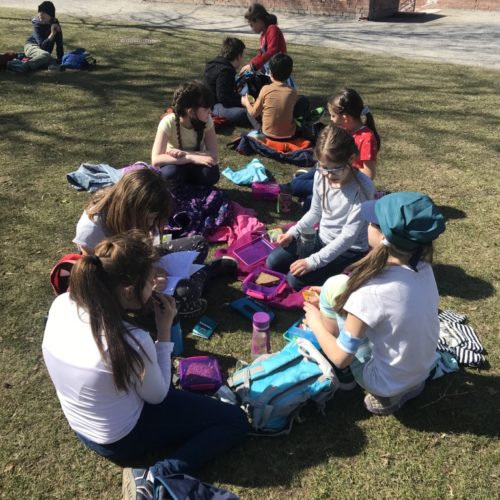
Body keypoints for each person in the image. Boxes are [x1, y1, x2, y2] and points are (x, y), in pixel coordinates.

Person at [42, 231, 249, 471]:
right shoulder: (131, 340)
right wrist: (164, 330)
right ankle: (162, 473)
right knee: (234, 420)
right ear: (128, 291)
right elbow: (159, 395)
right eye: (150, 281)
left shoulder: (61, 304)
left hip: (82, 427)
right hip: (121, 439)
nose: (154, 286)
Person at [304, 192, 446, 416]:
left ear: (382, 237)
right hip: (423, 368)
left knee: (333, 286)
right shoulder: (424, 267)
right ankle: (410, 385)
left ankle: (373, 389)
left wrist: (314, 322)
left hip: (383, 381)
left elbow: (341, 358)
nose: (367, 226)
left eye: (371, 223)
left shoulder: (369, 293)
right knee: (338, 286)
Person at [73, 168, 211, 317]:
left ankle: (200, 277)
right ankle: (202, 278)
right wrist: (146, 281)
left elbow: (148, 246)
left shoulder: (132, 215)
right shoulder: (92, 230)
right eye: (149, 219)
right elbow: (101, 280)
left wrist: (152, 268)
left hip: (139, 262)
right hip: (127, 286)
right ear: (133, 209)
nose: (151, 224)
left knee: (199, 244)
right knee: (187, 291)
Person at [266, 124, 375, 290]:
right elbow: (315, 212)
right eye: (323, 167)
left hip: (349, 250)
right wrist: (293, 233)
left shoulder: (363, 187)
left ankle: (345, 272)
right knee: (274, 261)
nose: (328, 175)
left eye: (335, 169)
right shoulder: (320, 174)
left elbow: (348, 236)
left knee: (294, 280)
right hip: (321, 238)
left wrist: (313, 262)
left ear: (351, 158)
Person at [290, 88, 380, 211]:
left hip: (340, 180)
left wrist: (345, 174)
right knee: (297, 185)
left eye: (333, 116)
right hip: (327, 170)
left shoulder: (366, 138)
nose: (331, 119)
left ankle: (303, 192)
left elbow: (369, 174)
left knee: (306, 199)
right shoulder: (343, 129)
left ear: (345, 118)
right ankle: (299, 185)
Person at [151, 81, 220, 187]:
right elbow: (156, 160)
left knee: (211, 174)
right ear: (191, 112)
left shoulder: (207, 120)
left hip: (197, 162)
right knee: (169, 174)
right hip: (175, 163)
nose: (210, 111)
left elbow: (213, 154)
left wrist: (186, 154)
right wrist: (189, 158)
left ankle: (187, 183)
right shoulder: (168, 122)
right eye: (206, 109)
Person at [241, 53, 298, 139]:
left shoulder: (266, 89)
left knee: (249, 112)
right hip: (289, 135)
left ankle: (259, 130)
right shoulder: (293, 92)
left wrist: (246, 102)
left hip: (268, 134)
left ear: (270, 72)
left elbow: (253, 113)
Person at [204, 37, 252, 127]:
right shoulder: (225, 71)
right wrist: (242, 100)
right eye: (242, 56)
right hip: (215, 107)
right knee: (247, 113)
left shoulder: (213, 64)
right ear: (238, 56)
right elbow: (223, 97)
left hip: (210, 103)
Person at [7, 1, 64, 73]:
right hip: (31, 46)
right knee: (46, 56)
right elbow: (42, 46)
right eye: (40, 13)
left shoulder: (55, 23)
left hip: (43, 52)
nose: (40, 15)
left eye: (44, 13)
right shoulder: (37, 23)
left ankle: (17, 62)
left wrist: (61, 61)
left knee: (51, 60)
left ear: (51, 15)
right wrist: (52, 34)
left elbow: (59, 44)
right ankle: (22, 66)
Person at [240, 3, 287, 77]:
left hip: (279, 72)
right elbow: (260, 55)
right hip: (270, 72)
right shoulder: (263, 36)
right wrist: (248, 65)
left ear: (258, 20)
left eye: (252, 25)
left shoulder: (272, 29)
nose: (252, 29)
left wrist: (253, 66)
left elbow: (271, 51)